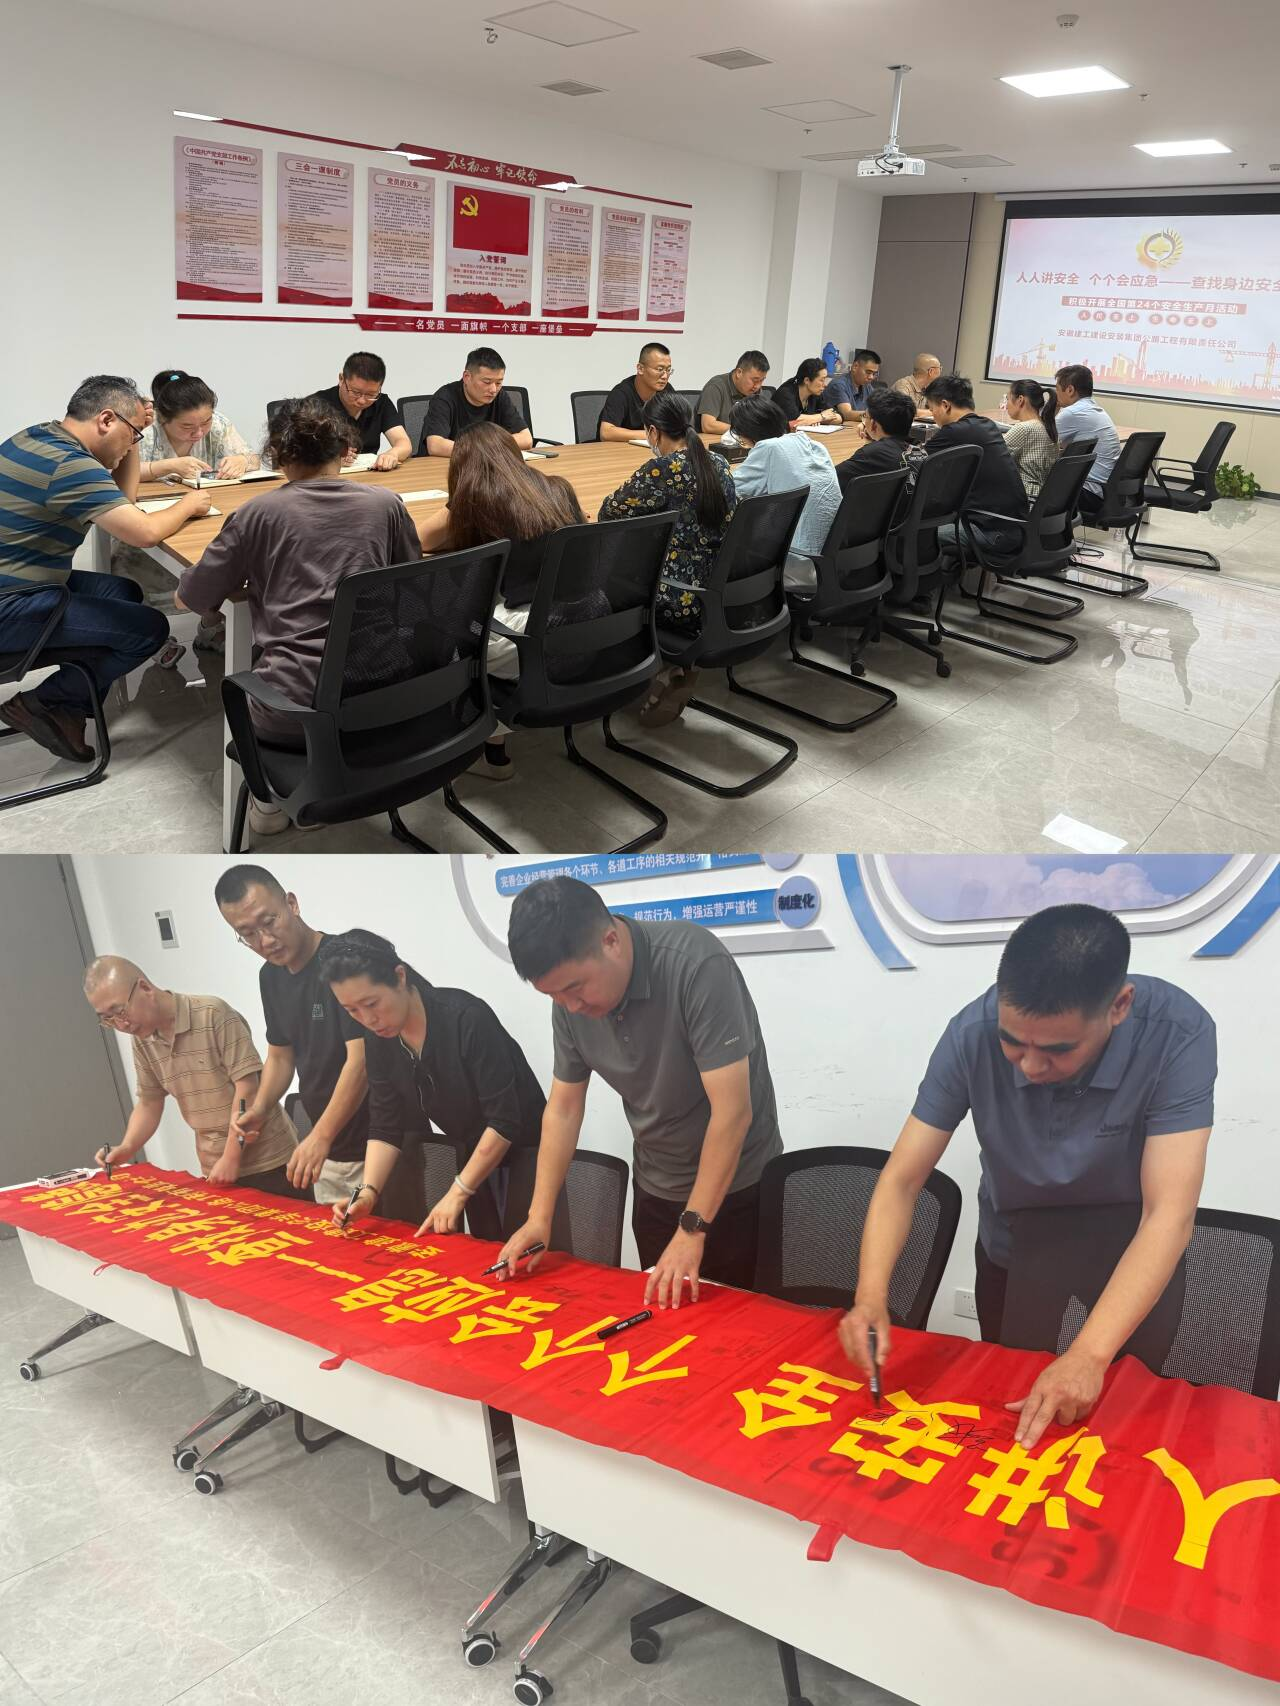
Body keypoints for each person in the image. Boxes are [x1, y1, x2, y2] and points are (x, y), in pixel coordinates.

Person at [839, 904, 1216, 1450]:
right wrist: (871, 1296)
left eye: (1058, 1049)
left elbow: (1168, 1214)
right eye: (1013, 1043)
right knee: (1011, 1409)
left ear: (1119, 1006)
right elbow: (902, 1179)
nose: (1032, 1066)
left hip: (1129, 1246)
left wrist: (1089, 1355)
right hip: (1015, 1246)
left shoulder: (1176, 1033)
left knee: (1120, 1423)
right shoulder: (971, 1033)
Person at [497, 877, 782, 1304]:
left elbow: (733, 1112)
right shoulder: (569, 1005)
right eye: (553, 996)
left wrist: (692, 1228)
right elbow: (564, 1109)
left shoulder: (695, 964)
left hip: (737, 1189)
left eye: (574, 988)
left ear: (611, 941)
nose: (570, 1006)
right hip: (655, 1186)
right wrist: (539, 1217)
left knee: (738, 1329)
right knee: (665, 1322)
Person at [176, 398, 421, 835]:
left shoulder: (256, 514)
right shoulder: (387, 505)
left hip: (291, 714)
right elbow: (411, 580)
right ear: (345, 451)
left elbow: (190, 597)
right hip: (382, 694)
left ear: (279, 456)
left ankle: (272, 805)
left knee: (251, 682)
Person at [0, 375, 205, 765]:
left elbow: (124, 498)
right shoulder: (70, 465)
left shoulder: (38, 437)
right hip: (11, 603)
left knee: (123, 592)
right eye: (134, 435)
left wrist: (133, 437)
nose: (133, 444)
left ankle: (70, 705)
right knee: (149, 630)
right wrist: (189, 505)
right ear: (107, 419)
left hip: (25, 579)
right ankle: (46, 701)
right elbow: (143, 533)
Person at [315, 929, 545, 1239]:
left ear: (399, 977)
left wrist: (459, 1190)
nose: (367, 1019)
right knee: (486, 1253)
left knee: (531, 1255)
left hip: (529, 1160)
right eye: (352, 1010)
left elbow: (504, 1121)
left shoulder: (466, 1018)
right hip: (475, 1160)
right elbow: (385, 1123)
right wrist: (368, 1192)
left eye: (371, 1003)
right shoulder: (379, 1039)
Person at [416, 422, 586, 781]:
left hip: (523, 643)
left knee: (431, 628)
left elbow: (421, 540)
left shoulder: (477, 500)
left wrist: (457, 503)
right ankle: (494, 745)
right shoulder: (559, 488)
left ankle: (479, 743)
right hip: (581, 630)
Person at [214, 864, 370, 1204]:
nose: (265, 941)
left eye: (269, 922)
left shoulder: (345, 959)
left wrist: (320, 1135)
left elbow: (361, 1061)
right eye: (248, 934)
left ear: (292, 904)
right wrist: (260, 1108)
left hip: (381, 1144)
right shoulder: (270, 977)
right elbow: (280, 1056)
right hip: (328, 1153)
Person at [85, 955, 301, 1196]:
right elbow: (149, 1102)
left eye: (120, 1011)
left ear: (145, 988)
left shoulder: (212, 1014)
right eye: (108, 1019)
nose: (121, 1025)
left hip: (269, 1161)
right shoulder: (143, 1039)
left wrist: (231, 1157)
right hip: (214, 1165)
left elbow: (248, 1088)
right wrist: (127, 1148)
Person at [597, 391, 736, 727]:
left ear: (653, 432)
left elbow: (609, 513)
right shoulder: (718, 462)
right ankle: (674, 668)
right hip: (716, 590)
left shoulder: (662, 469)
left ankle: (629, 674)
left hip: (673, 597)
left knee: (602, 578)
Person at [728, 395, 841, 586]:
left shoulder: (769, 449)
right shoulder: (814, 445)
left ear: (746, 433)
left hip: (798, 564)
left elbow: (728, 489)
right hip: (831, 561)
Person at [920, 371, 1028, 562]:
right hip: (1014, 527)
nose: (932, 414)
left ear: (945, 405)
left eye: (931, 408)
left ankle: (928, 580)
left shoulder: (954, 432)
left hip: (990, 533)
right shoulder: (986, 425)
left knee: (909, 532)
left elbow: (913, 462)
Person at [139, 370, 260, 484]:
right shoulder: (144, 428)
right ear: (162, 417)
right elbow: (127, 472)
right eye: (187, 427)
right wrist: (167, 466)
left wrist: (243, 461)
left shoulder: (219, 424)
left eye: (206, 422)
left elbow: (255, 460)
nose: (199, 433)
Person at [309, 352, 411, 471]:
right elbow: (296, 454)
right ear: (341, 379)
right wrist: (329, 458)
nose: (362, 401)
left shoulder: (381, 403)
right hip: (325, 476)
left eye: (371, 394)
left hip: (370, 474)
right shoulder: (315, 405)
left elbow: (403, 442)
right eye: (355, 392)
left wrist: (392, 454)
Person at [423, 347, 532, 457]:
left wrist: (486, 448)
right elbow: (435, 445)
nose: (493, 390)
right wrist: (486, 448)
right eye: (487, 382)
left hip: (485, 463)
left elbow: (526, 439)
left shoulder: (500, 396)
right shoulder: (444, 397)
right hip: (448, 464)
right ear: (467, 377)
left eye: (498, 383)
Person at [1054, 364, 1121, 517]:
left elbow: (1039, 438)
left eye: (1057, 389)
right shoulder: (1094, 409)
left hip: (1088, 493)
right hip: (1104, 493)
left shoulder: (1072, 413)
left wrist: (1052, 408)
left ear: (1070, 390)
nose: (1055, 394)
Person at [835, 387, 922, 490]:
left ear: (873, 424)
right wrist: (873, 442)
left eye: (865, 416)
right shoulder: (918, 448)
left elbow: (831, 477)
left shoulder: (870, 454)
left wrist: (871, 447)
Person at [598, 344, 674, 442]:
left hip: (652, 448)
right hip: (616, 449)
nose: (665, 376)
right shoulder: (621, 393)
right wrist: (650, 435)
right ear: (640, 369)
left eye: (668, 370)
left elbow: (682, 424)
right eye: (659, 369)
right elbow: (606, 433)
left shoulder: (667, 390)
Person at [1003, 378, 1059, 501]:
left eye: (1008, 399)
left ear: (1020, 400)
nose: (1006, 405)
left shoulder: (1024, 428)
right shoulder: (1046, 426)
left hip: (1024, 499)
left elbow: (994, 459)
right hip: (1041, 499)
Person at [696, 351, 771, 437]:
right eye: (755, 380)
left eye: (762, 380)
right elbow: (708, 425)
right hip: (712, 442)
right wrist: (744, 430)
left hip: (742, 440)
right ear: (739, 373)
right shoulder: (716, 386)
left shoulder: (755, 390)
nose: (758, 386)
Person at [771, 359, 842, 429]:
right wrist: (821, 417)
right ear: (807, 380)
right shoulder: (785, 394)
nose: (825, 384)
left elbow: (839, 416)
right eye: (822, 380)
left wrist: (815, 419)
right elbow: (794, 422)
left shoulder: (815, 394)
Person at [825, 348, 882, 423]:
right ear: (855, 366)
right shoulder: (838, 385)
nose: (871, 377)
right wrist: (875, 416)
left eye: (874, 374)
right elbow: (846, 414)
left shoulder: (867, 386)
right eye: (868, 372)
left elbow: (879, 406)